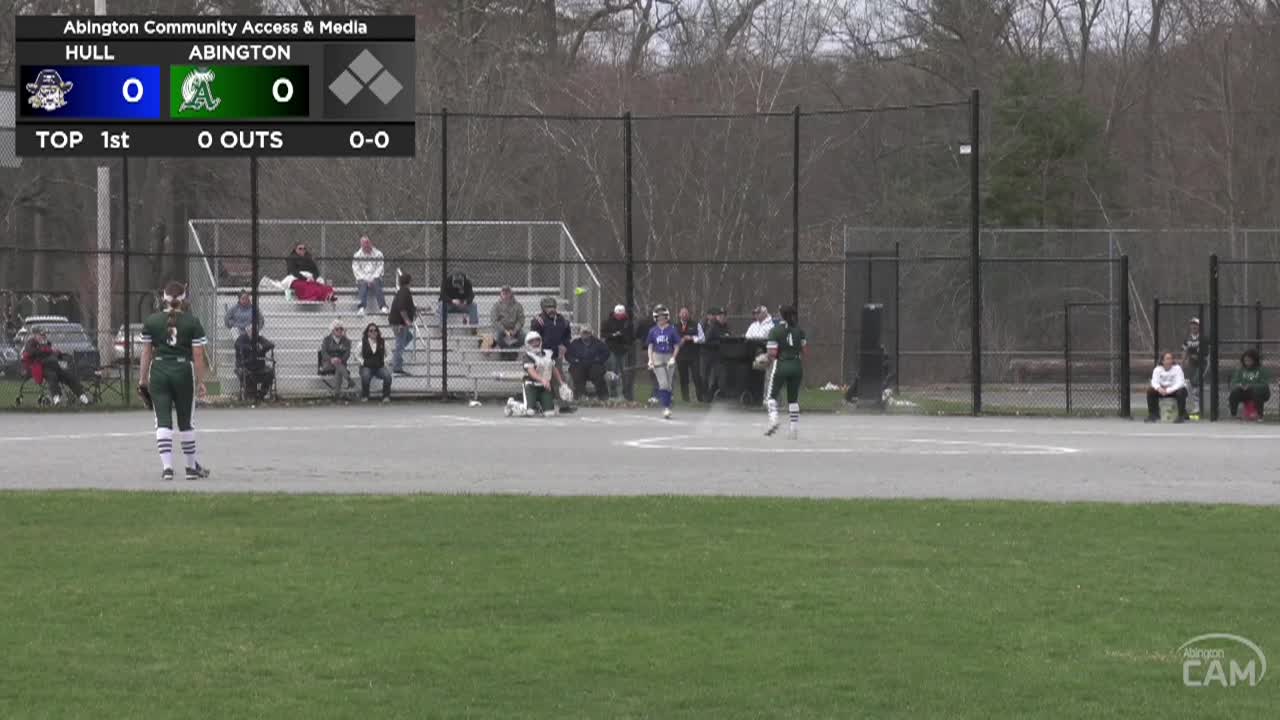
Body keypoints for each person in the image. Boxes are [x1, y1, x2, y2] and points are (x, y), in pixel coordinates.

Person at [137, 281, 210, 481]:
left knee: (162, 422)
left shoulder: (152, 321)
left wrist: (143, 379)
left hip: (159, 371)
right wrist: (201, 381)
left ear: (164, 298)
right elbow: (198, 355)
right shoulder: (192, 322)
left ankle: (167, 468)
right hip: (183, 371)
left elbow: (146, 354)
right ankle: (189, 468)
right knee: (186, 422)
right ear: (184, 298)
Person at [765, 305, 807, 438]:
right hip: (796, 365)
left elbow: (772, 353)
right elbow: (805, 351)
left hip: (781, 365)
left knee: (771, 397)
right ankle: (793, 429)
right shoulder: (799, 330)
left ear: (781, 315)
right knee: (793, 400)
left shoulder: (775, 331)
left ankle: (774, 420)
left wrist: (764, 359)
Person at [21, 327, 89, 405]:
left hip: (54, 365)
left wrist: (57, 353)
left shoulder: (46, 343)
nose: (43, 336)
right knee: (52, 376)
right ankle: (56, 399)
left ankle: (83, 398)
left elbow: (52, 352)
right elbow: (31, 352)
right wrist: (43, 350)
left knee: (68, 376)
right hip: (42, 367)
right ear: (35, 335)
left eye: (44, 335)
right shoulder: (31, 342)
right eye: (41, 335)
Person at [506, 331, 566, 417]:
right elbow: (531, 372)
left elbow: (554, 369)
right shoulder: (527, 356)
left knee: (550, 413)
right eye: (532, 341)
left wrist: (561, 383)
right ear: (527, 344)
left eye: (537, 340)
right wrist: (542, 380)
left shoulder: (548, 353)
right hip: (531, 386)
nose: (535, 343)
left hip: (545, 387)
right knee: (529, 412)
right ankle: (512, 404)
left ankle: (539, 406)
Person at [647, 304, 681, 419]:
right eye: (659, 317)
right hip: (657, 356)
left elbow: (676, 345)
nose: (661, 319)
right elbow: (650, 346)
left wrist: (673, 358)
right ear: (656, 318)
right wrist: (650, 360)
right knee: (663, 384)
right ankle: (665, 408)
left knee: (669, 384)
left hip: (669, 356)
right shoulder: (653, 331)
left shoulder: (672, 329)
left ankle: (668, 404)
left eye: (663, 317)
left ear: (667, 317)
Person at [567, 325, 610, 401]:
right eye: (583, 333)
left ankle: (603, 396)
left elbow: (606, 353)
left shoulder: (598, 343)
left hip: (594, 364)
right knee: (576, 372)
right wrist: (574, 360)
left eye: (587, 333)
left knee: (598, 372)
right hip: (579, 364)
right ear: (580, 334)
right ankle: (580, 396)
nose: (585, 335)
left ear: (590, 333)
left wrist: (599, 359)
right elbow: (567, 355)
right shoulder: (575, 343)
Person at [602, 304, 635, 402]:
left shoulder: (628, 323)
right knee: (613, 371)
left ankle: (626, 394)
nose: (620, 317)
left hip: (624, 349)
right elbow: (604, 333)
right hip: (612, 349)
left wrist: (624, 336)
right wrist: (613, 335)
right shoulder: (608, 322)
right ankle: (613, 394)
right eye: (618, 315)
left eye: (622, 315)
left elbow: (631, 336)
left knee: (624, 372)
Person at [1145, 351, 1188, 423]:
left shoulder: (1177, 368)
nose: (1170, 361)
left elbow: (1180, 383)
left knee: (1182, 391)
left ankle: (1181, 416)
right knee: (1150, 391)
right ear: (1162, 361)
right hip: (1162, 391)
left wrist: (1168, 390)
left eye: (1171, 359)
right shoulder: (1157, 369)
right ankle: (1153, 415)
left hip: (1174, 391)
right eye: (1167, 359)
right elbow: (1154, 382)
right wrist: (1159, 389)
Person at [1228, 349, 1271, 420]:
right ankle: (1233, 415)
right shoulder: (1241, 369)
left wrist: (1251, 386)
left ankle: (1259, 415)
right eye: (1245, 360)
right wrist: (1239, 385)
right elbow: (1234, 382)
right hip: (1245, 392)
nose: (1247, 362)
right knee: (1234, 392)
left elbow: (1265, 385)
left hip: (1261, 393)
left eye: (1249, 360)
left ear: (1254, 360)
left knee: (1256, 391)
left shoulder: (1261, 370)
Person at [234, 329, 275, 402]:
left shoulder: (259, 338)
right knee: (246, 374)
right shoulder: (242, 338)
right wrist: (251, 348)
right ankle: (251, 395)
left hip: (259, 366)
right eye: (250, 331)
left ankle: (261, 394)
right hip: (245, 365)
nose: (252, 333)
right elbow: (237, 345)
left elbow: (270, 344)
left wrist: (261, 347)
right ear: (247, 332)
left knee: (270, 373)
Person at [388, 271, 417, 375]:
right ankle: (397, 367)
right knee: (400, 344)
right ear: (409, 281)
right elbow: (401, 307)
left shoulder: (402, 292)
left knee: (408, 337)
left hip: (398, 321)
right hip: (398, 322)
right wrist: (406, 320)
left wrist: (416, 310)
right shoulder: (404, 292)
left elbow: (407, 306)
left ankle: (396, 357)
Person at [698, 307, 729, 400]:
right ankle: (704, 396)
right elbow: (705, 340)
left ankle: (714, 395)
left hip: (718, 355)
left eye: (724, 316)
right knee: (704, 376)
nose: (722, 318)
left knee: (718, 375)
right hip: (706, 354)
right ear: (717, 317)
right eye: (720, 316)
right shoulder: (713, 327)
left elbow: (728, 335)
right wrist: (719, 341)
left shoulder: (726, 327)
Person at [318, 319, 354, 400]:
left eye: (341, 329)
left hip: (341, 363)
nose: (339, 330)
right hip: (328, 364)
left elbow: (347, 354)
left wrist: (340, 360)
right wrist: (331, 359)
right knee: (339, 367)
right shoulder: (327, 339)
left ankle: (336, 395)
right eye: (337, 329)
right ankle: (348, 379)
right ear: (332, 330)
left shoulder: (346, 341)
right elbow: (323, 353)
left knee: (338, 369)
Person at [351, 236, 388, 315]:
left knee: (377, 282)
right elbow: (356, 270)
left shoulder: (378, 254)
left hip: (375, 277)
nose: (367, 247)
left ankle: (383, 307)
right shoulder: (357, 256)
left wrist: (372, 279)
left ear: (370, 244)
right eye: (365, 246)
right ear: (362, 245)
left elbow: (380, 268)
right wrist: (366, 280)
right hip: (362, 278)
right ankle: (361, 308)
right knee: (362, 284)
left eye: (368, 245)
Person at [675, 307, 705, 402]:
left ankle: (700, 398)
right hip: (681, 356)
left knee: (696, 377)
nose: (684, 315)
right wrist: (680, 341)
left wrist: (692, 338)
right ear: (679, 315)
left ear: (689, 314)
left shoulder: (696, 324)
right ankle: (685, 399)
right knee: (683, 378)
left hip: (693, 355)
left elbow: (702, 338)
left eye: (686, 313)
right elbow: (672, 340)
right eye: (682, 313)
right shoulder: (674, 326)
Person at [531, 296, 572, 364]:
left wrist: (564, 346)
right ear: (543, 308)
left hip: (558, 352)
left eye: (553, 307)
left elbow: (567, 337)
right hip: (543, 352)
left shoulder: (561, 320)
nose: (551, 309)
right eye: (548, 307)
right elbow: (534, 340)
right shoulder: (538, 321)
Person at [360, 323, 392, 403]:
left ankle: (386, 396)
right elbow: (356, 355)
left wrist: (384, 362)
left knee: (388, 376)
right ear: (367, 332)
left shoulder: (383, 342)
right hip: (367, 366)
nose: (373, 332)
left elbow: (390, 354)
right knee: (365, 376)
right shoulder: (362, 343)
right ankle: (365, 396)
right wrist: (362, 362)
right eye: (371, 330)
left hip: (379, 367)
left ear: (378, 332)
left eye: (375, 330)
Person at [491, 285, 525, 359]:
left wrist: (515, 330)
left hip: (514, 328)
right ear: (501, 294)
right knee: (497, 337)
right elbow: (495, 321)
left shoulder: (518, 305)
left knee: (523, 337)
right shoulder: (496, 306)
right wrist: (504, 330)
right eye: (504, 293)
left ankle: (512, 350)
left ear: (511, 294)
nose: (506, 295)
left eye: (507, 293)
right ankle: (507, 352)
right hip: (502, 329)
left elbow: (521, 320)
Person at [1182, 317, 1203, 414]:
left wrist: (1197, 356)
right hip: (1190, 365)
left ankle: (1197, 407)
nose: (1194, 326)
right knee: (1186, 384)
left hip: (1201, 365)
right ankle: (1184, 406)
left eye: (1196, 324)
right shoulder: (1187, 338)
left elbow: (1204, 352)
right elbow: (1184, 351)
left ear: (1199, 326)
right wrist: (1183, 361)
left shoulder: (1202, 338)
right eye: (1192, 324)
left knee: (1195, 384)